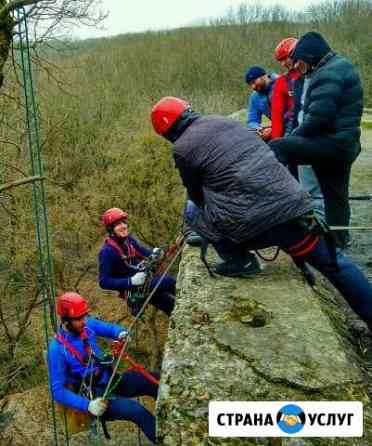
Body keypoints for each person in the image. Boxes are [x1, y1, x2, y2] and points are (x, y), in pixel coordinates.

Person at [150, 96, 372, 328]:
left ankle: (239, 260)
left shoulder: (182, 148)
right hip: (296, 207)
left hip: (260, 223)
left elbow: (196, 194)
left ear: (167, 131)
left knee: (193, 211)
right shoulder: (227, 123)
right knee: (338, 266)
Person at [269, 32, 363, 249]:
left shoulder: (326, 74)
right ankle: (340, 241)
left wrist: (292, 141)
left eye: (300, 63)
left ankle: (274, 209)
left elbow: (318, 119)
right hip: (345, 145)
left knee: (277, 147)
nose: (298, 68)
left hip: (331, 144)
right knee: (336, 195)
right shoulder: (342, 66)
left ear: (310, 56)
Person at [47, 292, 159, 443]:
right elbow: (57, 391)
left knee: (154, 380)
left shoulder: (87, 326)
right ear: (66, 321)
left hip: (111, 380)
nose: (84, 321)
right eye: (79, 319)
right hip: (96, 396)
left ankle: (170, 416)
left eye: (84, 316)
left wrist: (121, 334)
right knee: (137, 411)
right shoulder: (57, 350)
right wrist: (88, 405)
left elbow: (110, 329)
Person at [272, 37, 325, 217]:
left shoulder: (317, 74)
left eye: (286, 58)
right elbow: (278, 115)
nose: (285, 64)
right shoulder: (282, 83)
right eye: (281, 61)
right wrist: (277, 142)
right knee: (296, 174)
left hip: (315, 128)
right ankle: (302, 208)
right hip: (294, 128)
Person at [98, 208, 175, 316]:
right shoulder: (107, 252)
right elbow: (104, 281)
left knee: (170, 305)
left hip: (146, 281)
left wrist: (154, 254)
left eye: (124, 222)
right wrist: (131, 281)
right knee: (169, 282)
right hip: (134, 289)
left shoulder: (128, 240)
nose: (124, 226)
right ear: (111, 229)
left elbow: (143, 252)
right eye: (118, 224)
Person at [245, 65, 277, 140]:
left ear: (264, 76)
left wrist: (274, 130)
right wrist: (259, 129)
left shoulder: (281, 84)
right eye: (250, 84)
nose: (253, 87)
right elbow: (252, 120)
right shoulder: (255, 97)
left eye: (254, 82)